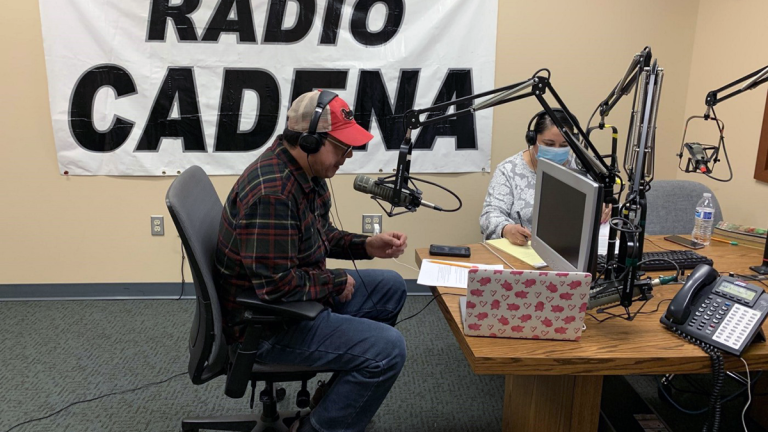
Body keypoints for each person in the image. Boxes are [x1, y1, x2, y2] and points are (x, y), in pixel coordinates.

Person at [214, 90, 409, 432]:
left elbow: (320, 235)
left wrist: (367, 245)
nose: (349, 155)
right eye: (342, 147)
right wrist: (333, 282)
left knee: (390, 287)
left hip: (290, 304)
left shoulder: (307, 174)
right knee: (388, 349)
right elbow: (276, 286)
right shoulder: (273, 194)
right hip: (267, 328)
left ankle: (334, 405)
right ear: (310, 141)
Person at [479, 109, 611, 245]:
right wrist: (507, 229)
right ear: (533, 139)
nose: (556, 150)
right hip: (523, 248)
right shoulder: (509, 170)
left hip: (568, 248)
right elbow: (489, 215)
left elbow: (598, 201)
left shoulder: (581, 168)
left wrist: (604, 207)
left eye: (564, 145)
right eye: (549, 144)